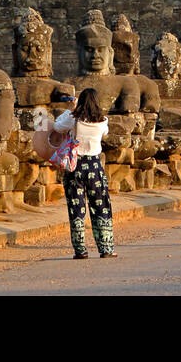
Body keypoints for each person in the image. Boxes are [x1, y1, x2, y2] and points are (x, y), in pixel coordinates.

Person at [55, 88, 114, 259]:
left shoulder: (74, 119)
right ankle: (106, 248)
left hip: (75, 166)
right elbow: (105, 134)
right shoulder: (103, 121)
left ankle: (80, 250)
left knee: (76, 208)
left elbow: (58, 126)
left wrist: (70, 109)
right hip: (94, 166)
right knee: (101, 206)